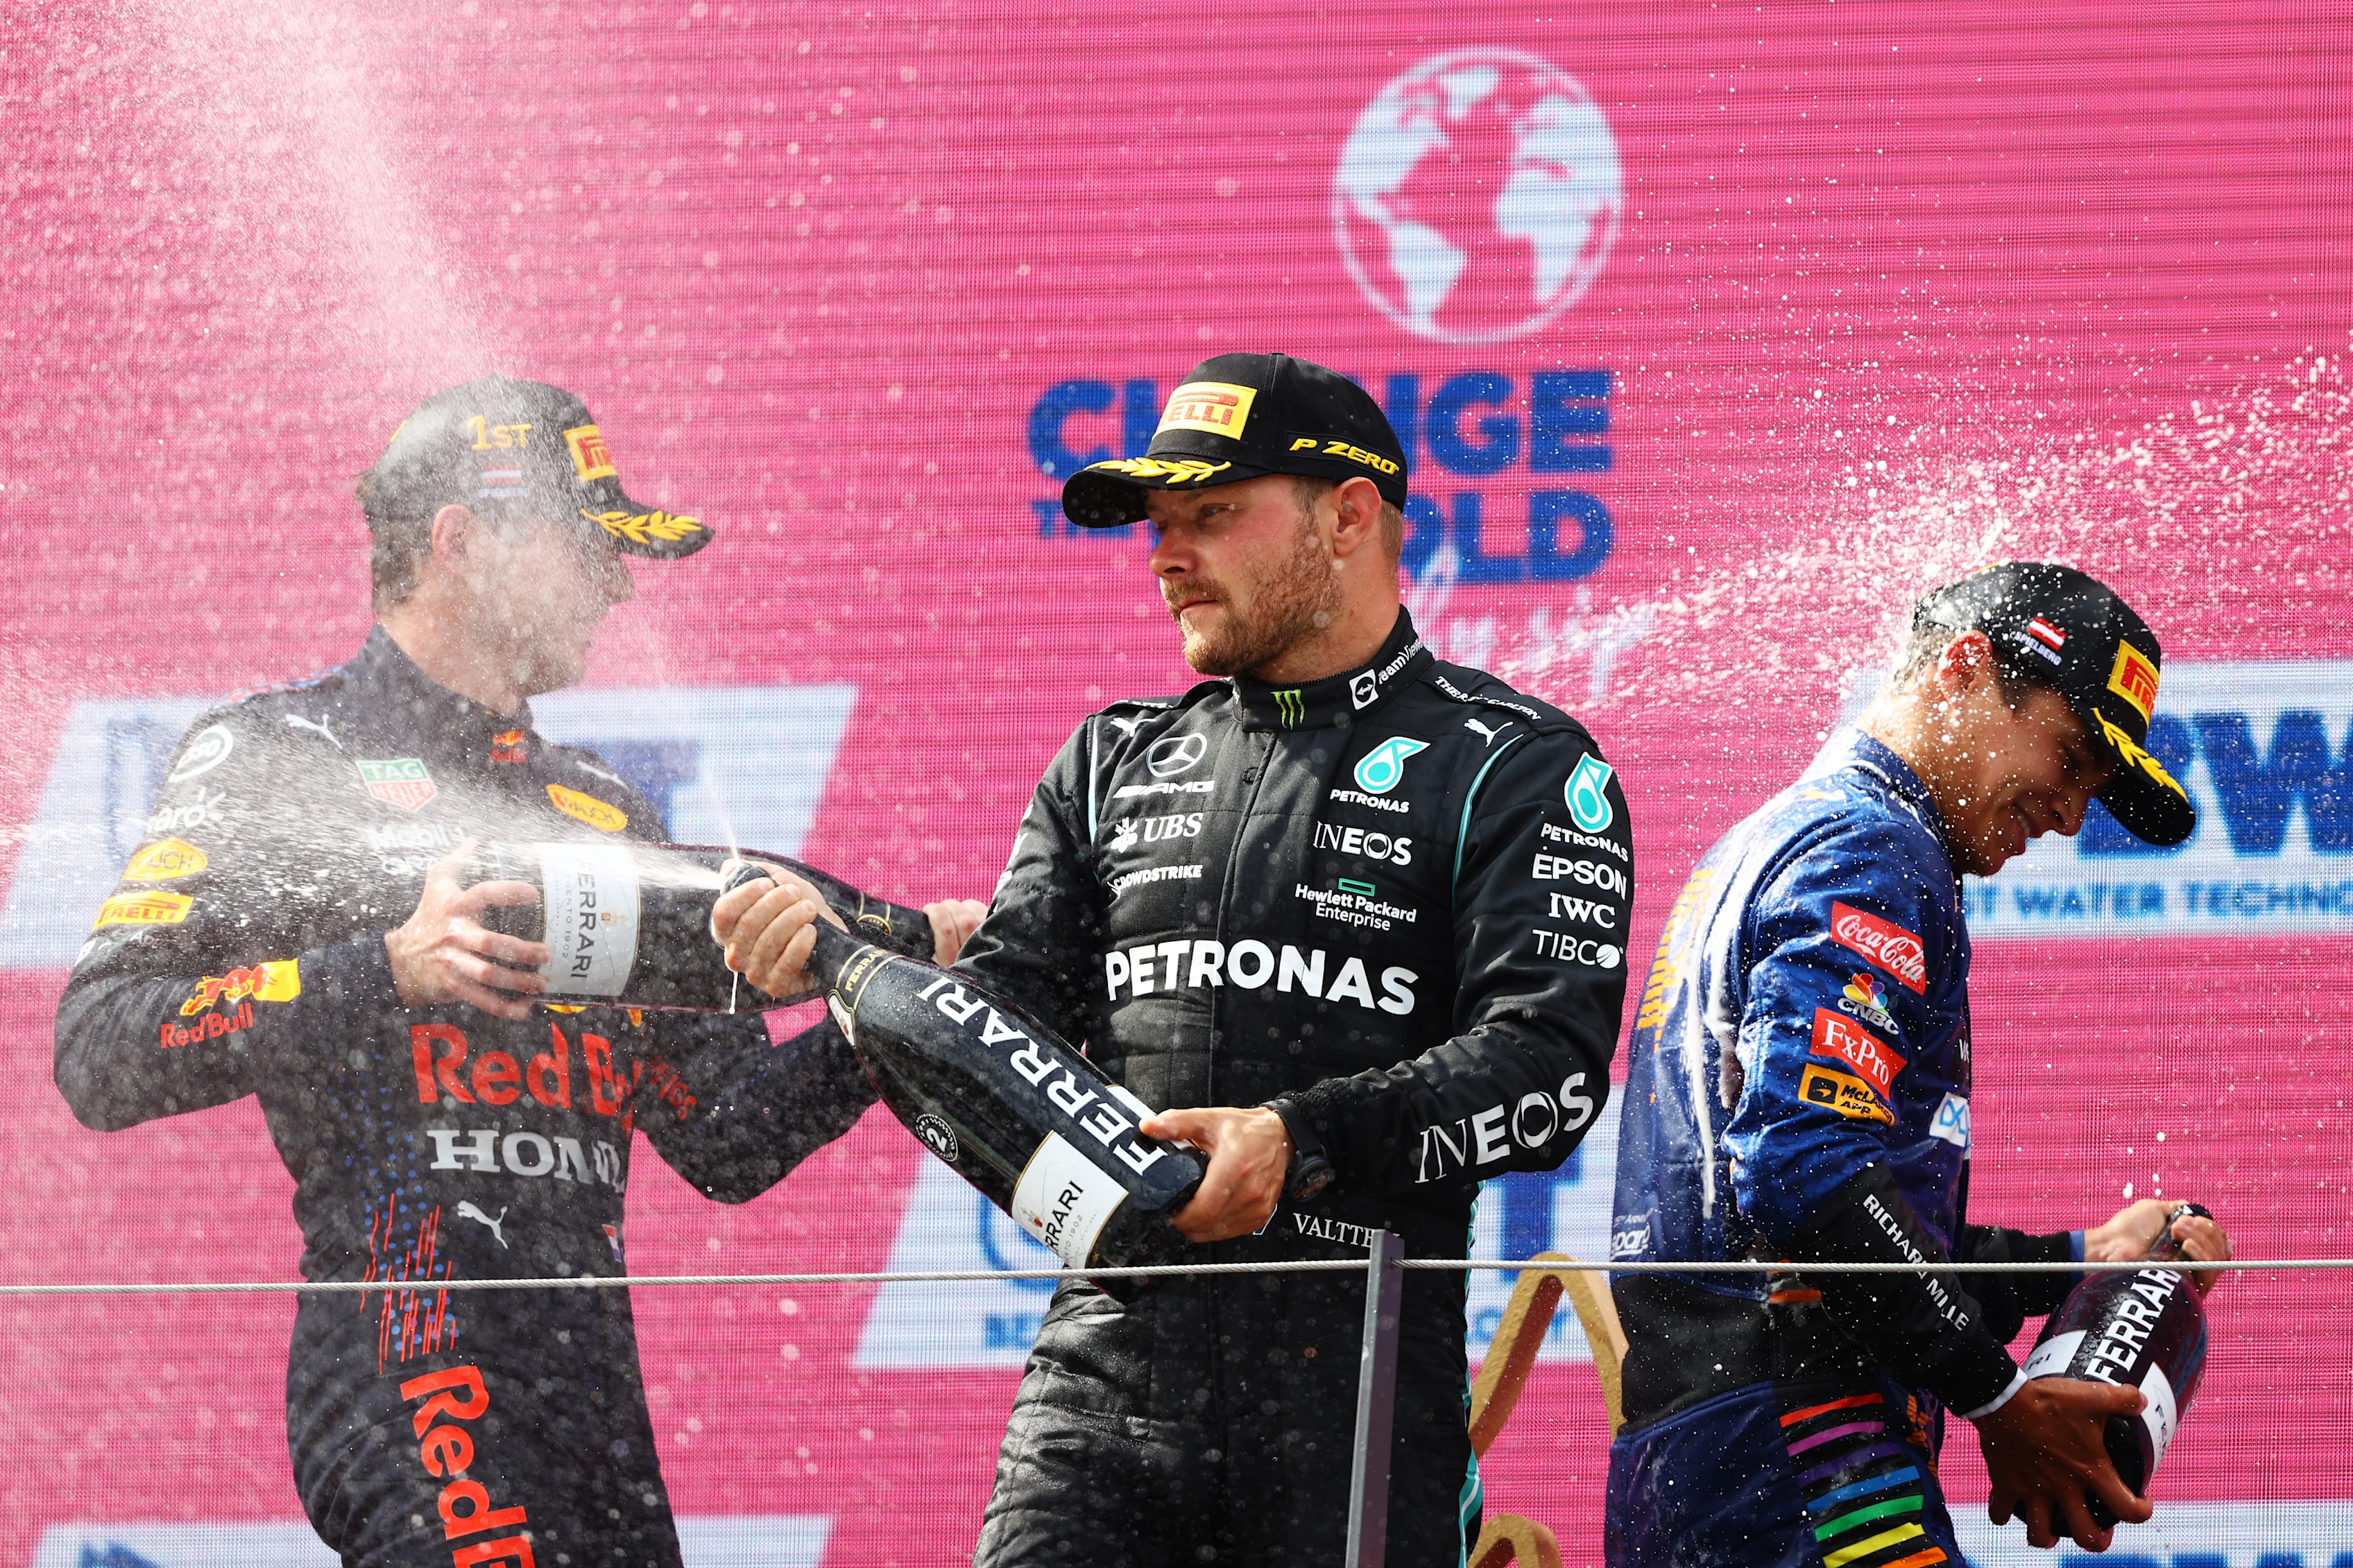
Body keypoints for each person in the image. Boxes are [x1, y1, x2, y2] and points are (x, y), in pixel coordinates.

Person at [717, 352, 1636, 1566]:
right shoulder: (1109, 762)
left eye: (1210, 515)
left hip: (1352, 1370)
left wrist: (1298, 1141)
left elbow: (1549, 1071)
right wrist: (842, 967)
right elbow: (992, 1031)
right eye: (1160, 524)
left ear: (1348, 516)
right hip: (1103, 1353)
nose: (1167, 555)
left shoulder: (1515, 765)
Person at [53, 376, 986, 1567]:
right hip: (411, 1369)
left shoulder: (601, 807)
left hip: (592, 1406)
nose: (617, 582)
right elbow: (101, 1048)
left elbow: (726, 1137)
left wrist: (901, 1013)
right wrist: (384, 970)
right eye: (588, 544)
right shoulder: (277, 755)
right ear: (459, 539)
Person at [1605, 562, 2234, 1568]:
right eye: (2070, 758)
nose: (2073, 814)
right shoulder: (1873, 852)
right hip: (1805, 1447)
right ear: (1964, 667)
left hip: (1717, 1448)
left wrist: (2078, 1264)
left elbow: (1828, 1213)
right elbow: (1802, 1178)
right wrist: (2001, 1398)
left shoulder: (1784, 834)